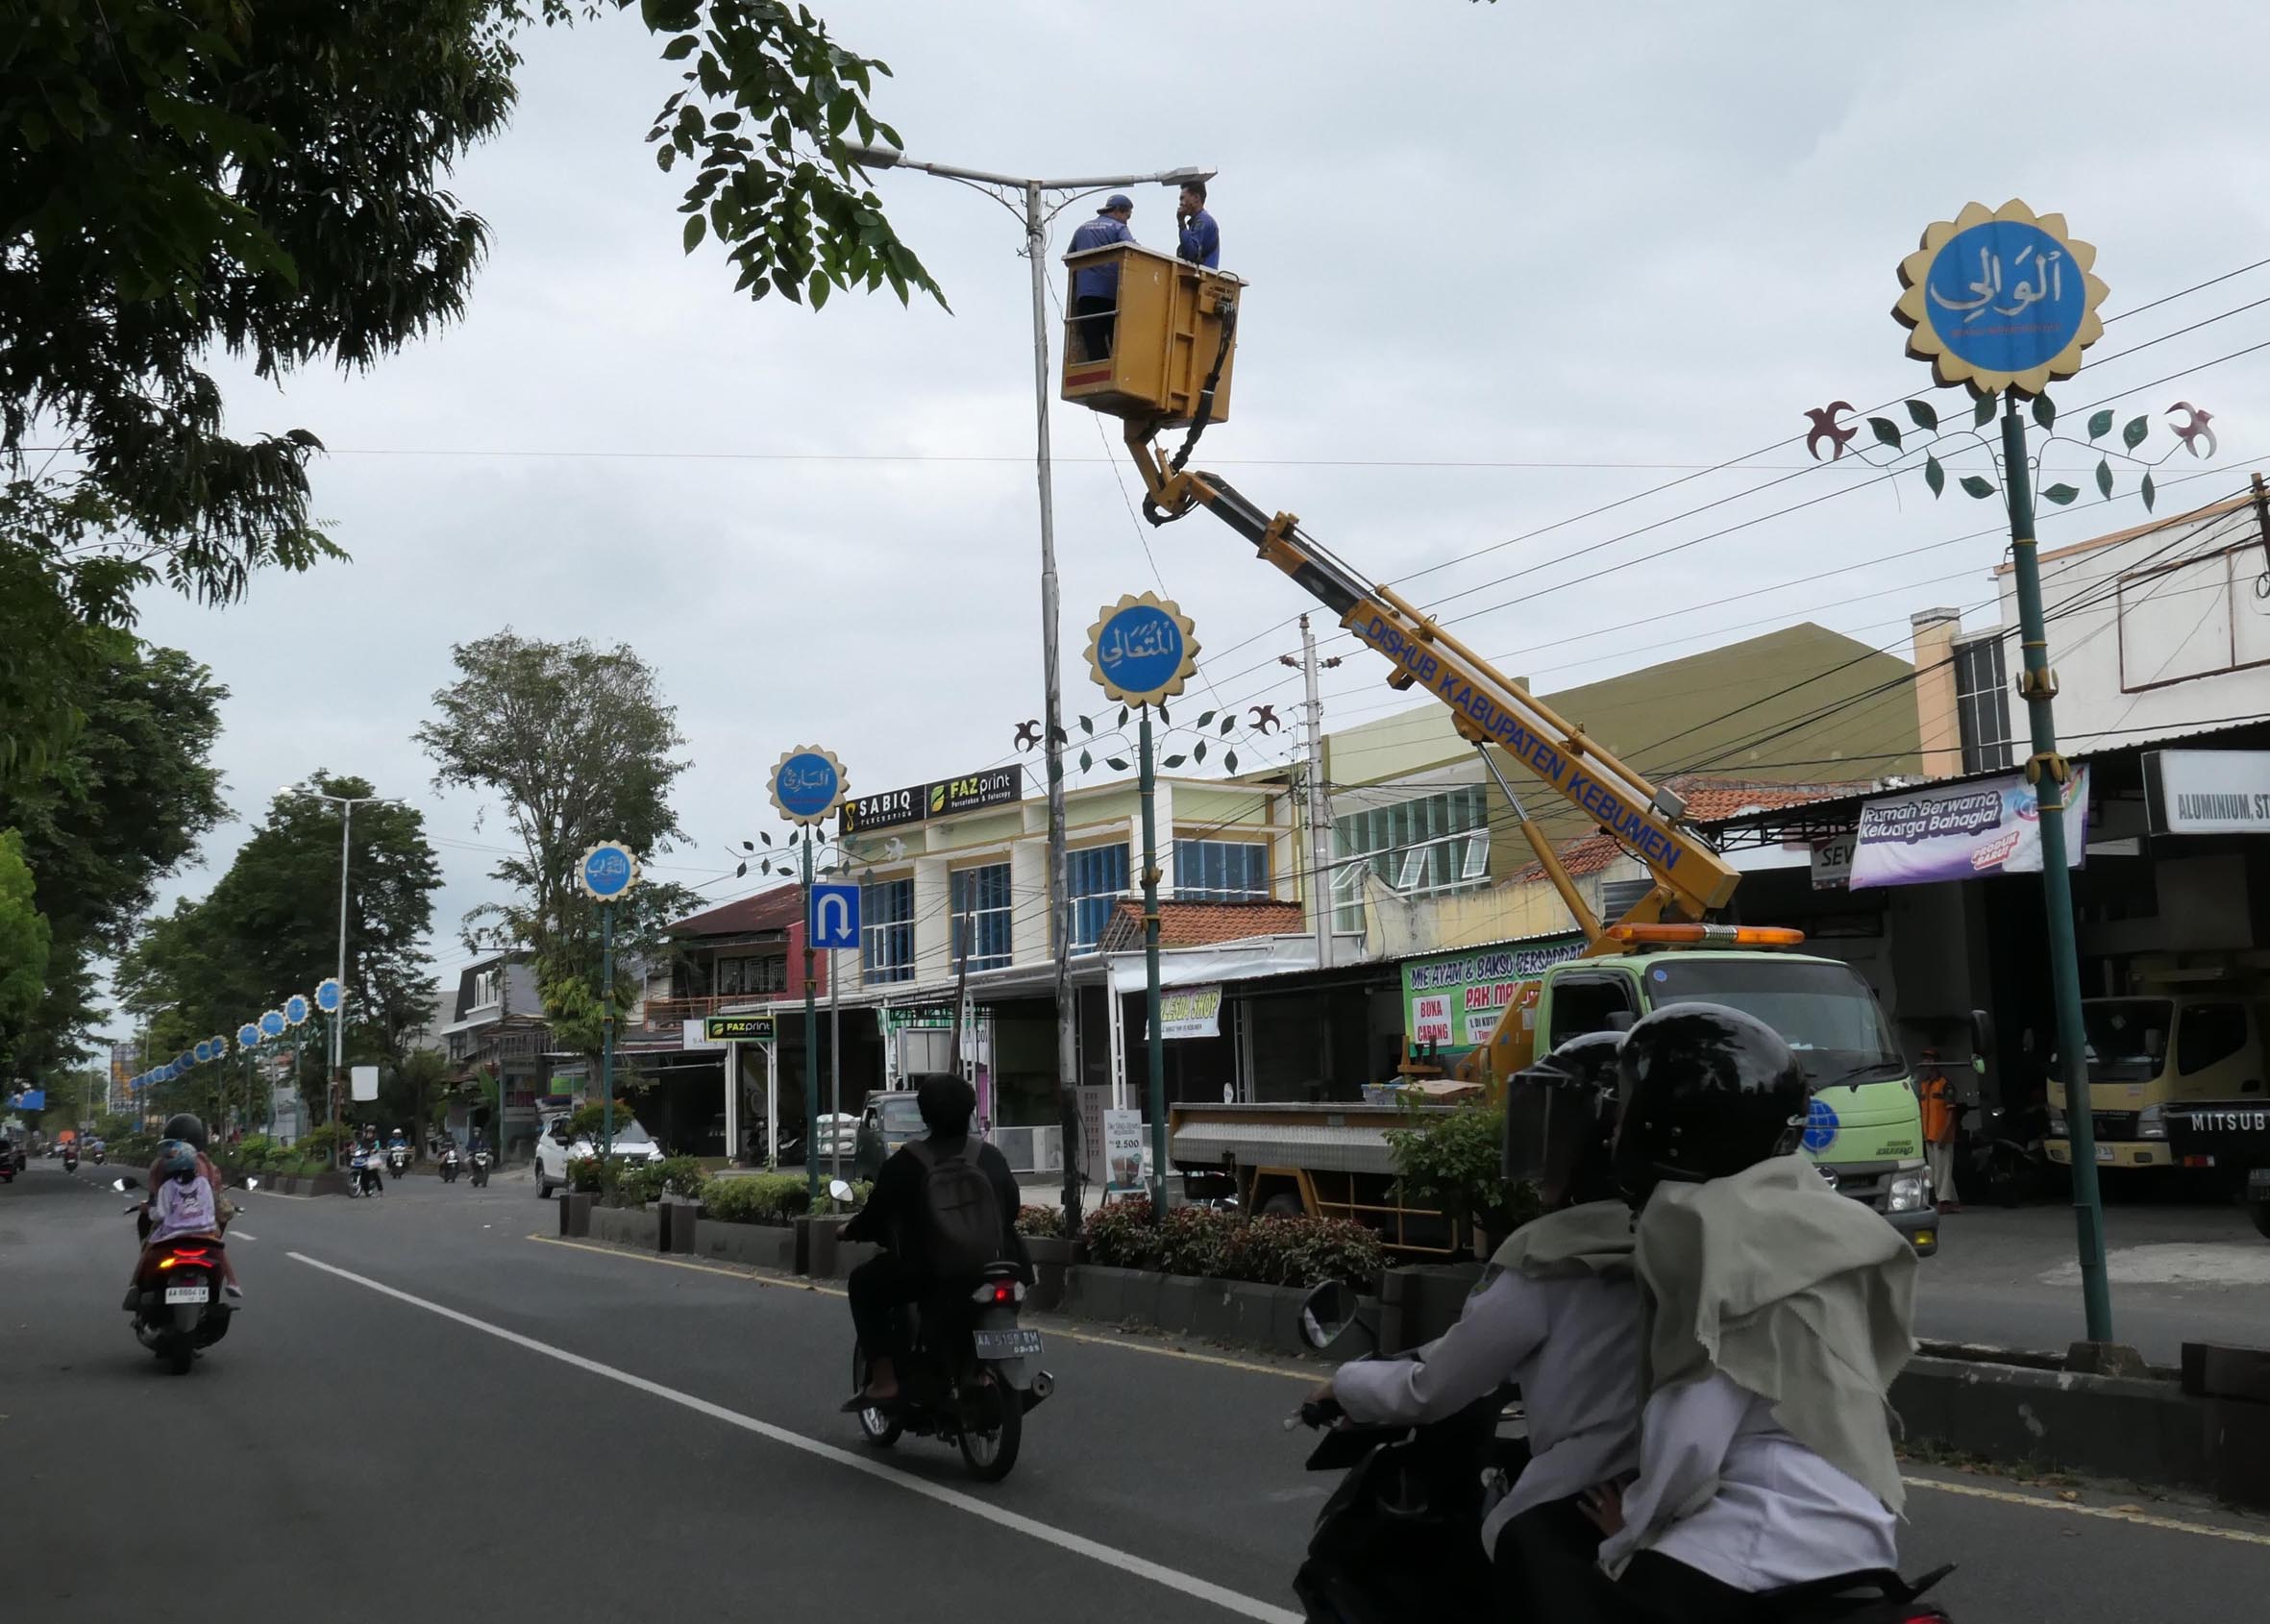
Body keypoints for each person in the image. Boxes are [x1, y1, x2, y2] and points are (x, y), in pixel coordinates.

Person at [1579, 1004, 1916, 1623]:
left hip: (1752, 1550)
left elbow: (1690, 1438)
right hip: (1864, 1540)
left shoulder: (1709, 1240)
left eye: (1626, 1107)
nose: (1613, 1127)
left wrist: (1629, 1524)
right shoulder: (1806, 1218)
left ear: (1667, 1124)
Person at [1311, 1031, 1643, 1615]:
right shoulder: (1689, 1246)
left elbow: (1431, 1389)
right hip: (1670, 1494)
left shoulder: (1546, 1261)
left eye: (1557, 1136)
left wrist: (1345, 1384)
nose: (1545, 1153)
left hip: (1590, 1491)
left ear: (1594, 1144)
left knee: (1506, 1538)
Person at [840, 1073, 1029, 1410]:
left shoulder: (906, 1163)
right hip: (998, 1267)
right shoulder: (990, 1157)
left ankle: (883, 1381)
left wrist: (850, 1230)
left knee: (862, 1284)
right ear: (971, 1111)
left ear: (924, 1115)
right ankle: (979, 1369)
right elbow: (1010, 1210)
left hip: (929, 1273)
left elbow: (876, 1216)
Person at [125, 1113, 242, 1304]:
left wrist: (147, 1209)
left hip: (171, 1229)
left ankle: (135, 1286)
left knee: (148, 1245)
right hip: (204, 1230)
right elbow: (215, 1197)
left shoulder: (161, 1165)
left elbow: (156, 1201)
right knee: (219, 1241)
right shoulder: (207, 1166)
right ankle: (231, 1284)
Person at [1067, 193, 1136, 359]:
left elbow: (1069, 258)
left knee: (1094, 344)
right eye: (1127, 216)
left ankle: (1097, 377)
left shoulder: (1082, 229)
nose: (1127, 220)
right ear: (1119, 210)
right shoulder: (1118, 228)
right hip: (1111, 296)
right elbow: (1133, 252)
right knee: (1117, 343)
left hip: (1086, 297)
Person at [1918, 1048, 1961, 1212]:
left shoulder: (1945, 1085)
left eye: (1930, 1059)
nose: (1927, 1062)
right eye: (1926, 1059)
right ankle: (1952, 1200)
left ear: (1937, 1062)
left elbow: (1951, 1112)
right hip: (1929, 1135)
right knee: (1938, 1170)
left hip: (1942, 1134)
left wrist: (1943, 1135)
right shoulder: (1923, 1085)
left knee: (1942, 1170)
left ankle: (1944, 1202)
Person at [1175, 180, 1219, 269]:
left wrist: (1181, 222)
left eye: (1182, 198)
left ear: (1196, 198)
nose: (1180, 203)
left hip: (1203, 278)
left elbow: (1190, 252)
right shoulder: (1197, 221)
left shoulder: (1203, 221)